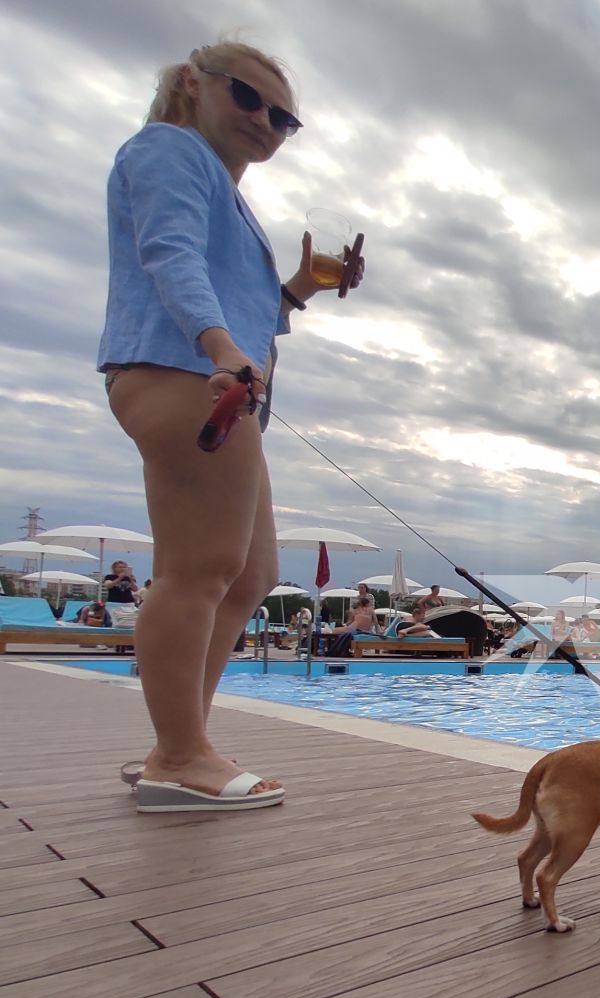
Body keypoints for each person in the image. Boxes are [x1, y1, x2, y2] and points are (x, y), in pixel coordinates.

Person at [99, 39, 363, 808]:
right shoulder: (169, 148)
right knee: (200, 569)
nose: (266, 122)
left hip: (216, 379)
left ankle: (178, 743)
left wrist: (299, 289)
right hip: (182, 372)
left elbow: (250, 315)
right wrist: (218, 349)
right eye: (247, 98)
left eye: (284, 117)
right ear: (191, 84)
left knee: (249, 574)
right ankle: (180, 756)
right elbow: (168, 255)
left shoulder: (223, 190)